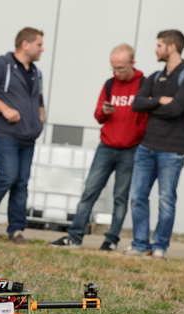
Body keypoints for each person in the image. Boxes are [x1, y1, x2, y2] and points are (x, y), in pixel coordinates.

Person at [50, 43, 148, 251]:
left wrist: (136, 135)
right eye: (113, 67)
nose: (116, 72)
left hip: (130, 149)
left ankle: (110, 241)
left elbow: (146, 119)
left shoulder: (144, 85)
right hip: (106, 147)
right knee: (89, 191)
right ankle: (74, 237)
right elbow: (98, 116)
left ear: (132, 63)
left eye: (121, 68)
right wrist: (104, 111)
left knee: (120, 197)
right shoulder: (110, 84)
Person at [128, 30, 184, 260]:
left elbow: (176, 109)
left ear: (172, 47)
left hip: (172, 150)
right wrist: (159, 100)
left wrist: (152, 105)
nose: (156, 49)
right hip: (146, 147)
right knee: (137, 196)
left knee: (166, 200)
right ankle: (140, 244)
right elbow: (137, 104)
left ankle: (160, 246)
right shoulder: (154, 77)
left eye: (159, 45)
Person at [0, 27, 46, 244]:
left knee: (21, 184)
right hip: (5, 135)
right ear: (25, 44)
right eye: (39, 44)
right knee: (7, 176)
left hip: (28, 138)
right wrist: (4, 109)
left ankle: (16, 230)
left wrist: (41, 117)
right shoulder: (1, 65)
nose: (42, 49)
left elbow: (39, 99)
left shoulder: (36, 72)